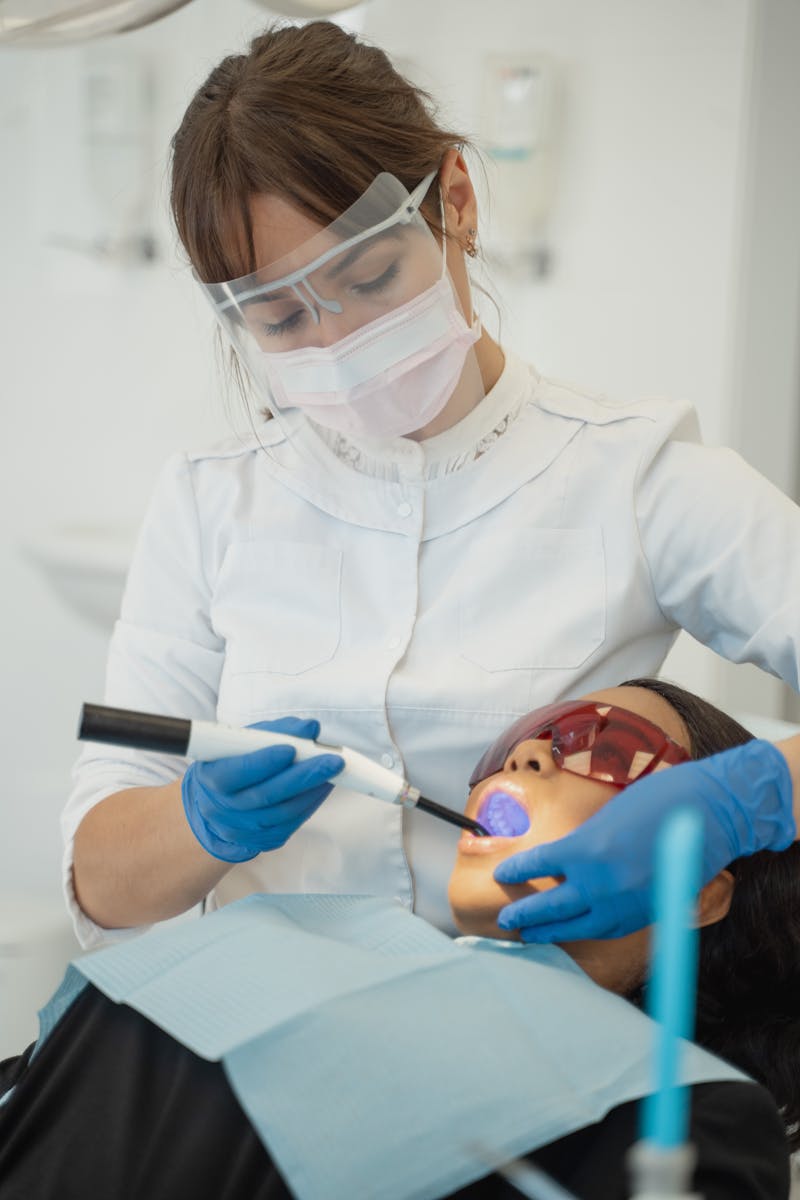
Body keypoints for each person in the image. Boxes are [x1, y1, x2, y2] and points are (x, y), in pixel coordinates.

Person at [65, 19, 800, 955]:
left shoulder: (638, 476)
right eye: (282, 319)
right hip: (259, 1054)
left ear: (455, 201)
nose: (337, 345)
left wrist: (746, 800)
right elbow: (100, 879)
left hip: (534, 1056)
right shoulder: (213, 501)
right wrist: (197, 826)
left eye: (369, 278)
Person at [3, 681, 796, 1199]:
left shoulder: (680, 1111)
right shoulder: (306, 937)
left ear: (697, 887)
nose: (524, 756)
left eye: (606, 746)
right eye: (521, 744)